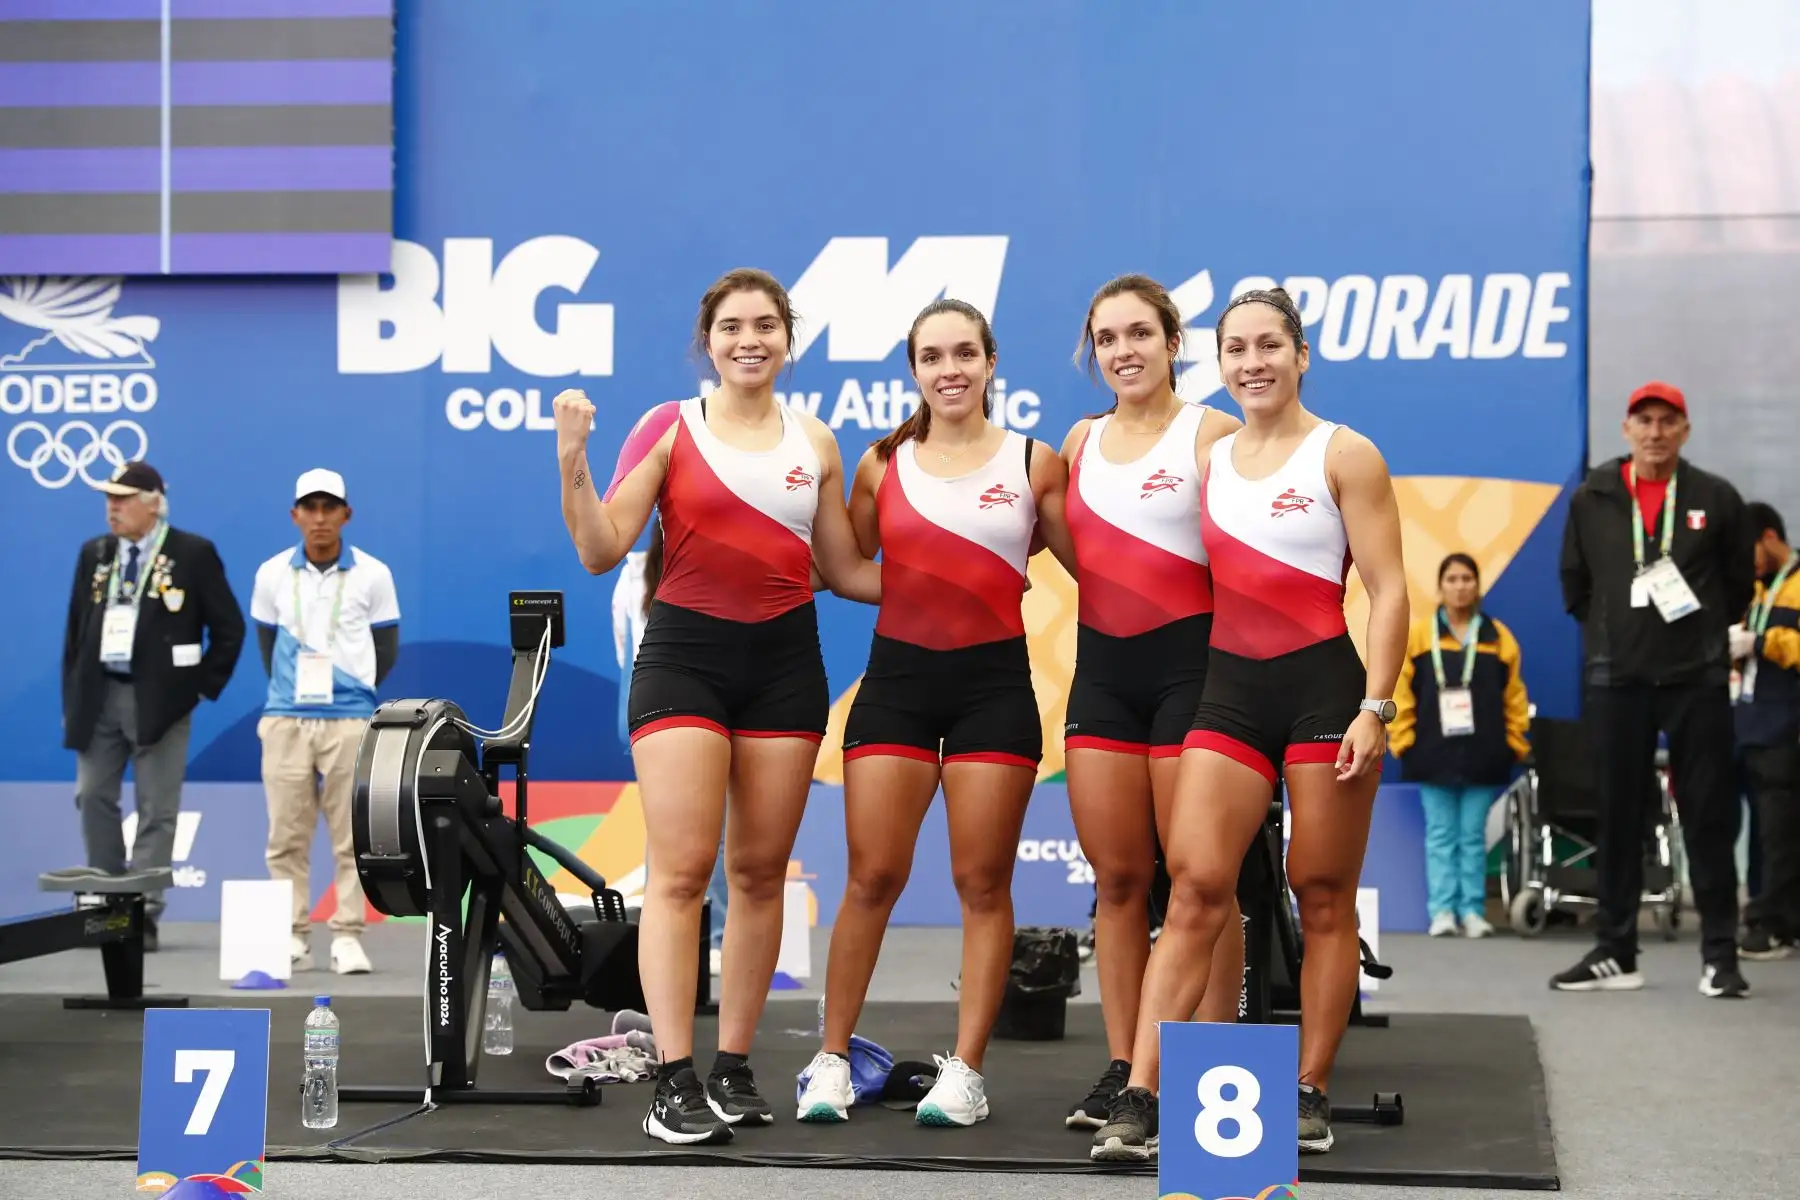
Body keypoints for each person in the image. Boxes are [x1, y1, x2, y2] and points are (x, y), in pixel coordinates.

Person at [552, 267, 881, 1146]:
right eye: (732, 326)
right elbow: (599, 547)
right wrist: (571, 459)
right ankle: (672, 1077)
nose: (749, 340)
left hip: (785, 668)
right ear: (709, 341)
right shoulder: (670, 427)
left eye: (765, 325)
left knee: (761, 873)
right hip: (685, 662)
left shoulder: (815, 438)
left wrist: (974, 563)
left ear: (787, 338)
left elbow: (846, 571)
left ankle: (731, 1067)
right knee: (684, 870)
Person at [1091, 287, 1409, 1162]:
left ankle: (1307, 1092)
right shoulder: (1211, 455)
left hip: (1324, 697)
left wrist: (1374, 707)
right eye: (1237, 349)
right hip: (1228, 695)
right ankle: (1145, 1094)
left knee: (1322, 892)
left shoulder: (1346, 453)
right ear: (1218, 361)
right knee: (1192, 888)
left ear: (1301, 355)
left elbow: (1388, 590)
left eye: (1271, 345)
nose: (1254, 363)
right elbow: (1129, 514)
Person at [796, 298, 1072, 1128]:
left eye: (964, 353)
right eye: (931, 356)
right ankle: (832, 1059)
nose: (949, 369)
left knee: (982, 883)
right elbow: (845, 569)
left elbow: (1104, 569)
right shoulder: (882, 464)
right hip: (898, 687)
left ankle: (966, 1073)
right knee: (873, 877)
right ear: (913, 370)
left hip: (995, 689)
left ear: (991, 363)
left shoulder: (1037, 464)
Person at [1055, 274, 1246, 1130]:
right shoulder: (1078, 441)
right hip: (1103, 677)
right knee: (1120, 882)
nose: (1123, 351)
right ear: (1092, 353)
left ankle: (1215, 1073)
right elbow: (1079, 555)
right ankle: (1127, 1066)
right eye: (1107, 338)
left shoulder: (1212, 434)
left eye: (1140, 333)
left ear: (1175, 342)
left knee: (1202, 880)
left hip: (1193, 675)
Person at [1553, 381, 1755, 998]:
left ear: (1685, 431)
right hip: (1618, 679)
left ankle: (1720, 955)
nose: (1656, 432)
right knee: (1616, 816)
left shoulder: (1715, 498)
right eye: (1644, 420)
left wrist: (1694, 642)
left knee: (1708, 816)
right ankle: (1616, 949)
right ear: (1627, 429)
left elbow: (1738, 587)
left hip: (1695, 678)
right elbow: (1576, 583)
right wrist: (1620, 633)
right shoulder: (1593, 497)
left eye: (1668, 421)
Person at [61, 460, 245, 951]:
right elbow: (76, 633)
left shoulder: (191, 553)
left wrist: (198, 688)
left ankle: (142, 913)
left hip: (160, 701)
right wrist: (71, 700)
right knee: (92, 794)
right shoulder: (95, 554)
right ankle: (105, 903)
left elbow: (229, 629)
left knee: (156, 809)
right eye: (109, 499)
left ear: (152, 503)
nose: (112, 508)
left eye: (122, 499)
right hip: (99, 696)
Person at [249, 468, 400, 976]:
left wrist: (349, 692)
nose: (319, 518)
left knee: (351, 834)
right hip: (286, 719)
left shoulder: (373, 573)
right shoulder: (271, 573)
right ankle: (290, 934)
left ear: (345, 514)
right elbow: (268, 649)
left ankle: (348, 933)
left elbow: (386, 650)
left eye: (328, 507)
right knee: (285, 836)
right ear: (295, 515)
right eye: (309, 508)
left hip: (350, 720)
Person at [1389, 553, 1531, 938]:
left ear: (1477, 585)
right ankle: (1442, 912)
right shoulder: (1420, 635)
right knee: (1440, 834)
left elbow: (1514, 696)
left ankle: (1471, 911)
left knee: (1472, 836)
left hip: (1485, 754)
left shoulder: (1498, 637)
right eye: (1452, 578)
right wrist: (1403, 741)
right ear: (1440, 586)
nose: (1460, 585)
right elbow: (1399, 692)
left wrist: (1515, 742)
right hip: (1432, 754)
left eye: (1467, 578)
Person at [1729, 502, 1800, 960]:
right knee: (1762, 831)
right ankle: (1765, 912)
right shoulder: (1760, 591)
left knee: (1781, 832)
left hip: (1785, 729)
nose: (1746, 560)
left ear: (1770, 537)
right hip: (1750, 725)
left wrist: (1763, 642)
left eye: (1749, 549)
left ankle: (1773, 923)